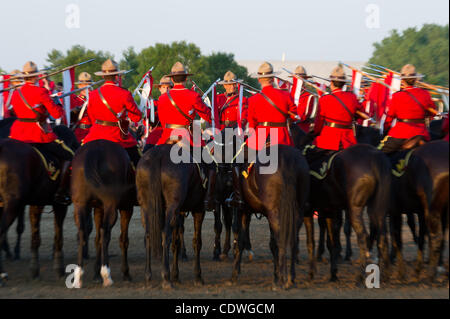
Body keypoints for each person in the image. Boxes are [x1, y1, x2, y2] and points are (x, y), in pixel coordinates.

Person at [228, 62, 298, 208]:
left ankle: (238, 197)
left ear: (260, 80)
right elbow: (295, 116)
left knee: (237, 162)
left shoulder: (253, 100)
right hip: (283, 138)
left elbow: (252, 126)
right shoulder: (286, 95)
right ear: (273, 79)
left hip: (261, 138)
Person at [9, 61, 74, 204]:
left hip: (17, 134)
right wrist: (56, 101)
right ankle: (61, 192)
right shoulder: (42, 92)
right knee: (69, 155)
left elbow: (13, 111)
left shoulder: (16, 92)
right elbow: (57, 115)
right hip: (37, 134)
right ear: (36, 77)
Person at [156, 62, 214, 209]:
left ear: (172, 79)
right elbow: (207, 116)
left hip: (167, 137)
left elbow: (163, 122)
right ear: (186, 79)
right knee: (211, 166)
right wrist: (205, 105)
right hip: (188, 137)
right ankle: (208, 198)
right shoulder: (193, 95)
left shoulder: (162, 98)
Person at [82, 59, 143, 167]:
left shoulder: (93, 94)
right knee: (139, 163)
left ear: (102, 76)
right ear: (116, 76)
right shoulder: (124, 93)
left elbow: (91, 118)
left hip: (95, 135)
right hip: (117, 136)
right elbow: (137, 117)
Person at [378, 64, 437, 153]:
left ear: (402, 80)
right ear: (415, 79)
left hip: (401, 133)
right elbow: (432, 113)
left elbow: (389, 117)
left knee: (380, 155)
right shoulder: (425, 94)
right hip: (421, 133)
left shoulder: (397, 96)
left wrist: (386, 129)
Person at [312, 65, 363, 152]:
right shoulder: (352, 97)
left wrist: (315, 133)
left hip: (329, 139)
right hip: (348, 140)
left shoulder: (325, 99)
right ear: (343, 84)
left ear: (331, 83)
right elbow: (361, 114)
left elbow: (319, 122)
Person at [143, 76, 173, 152]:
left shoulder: (175, 103)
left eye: (168, 87)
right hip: (157, 131)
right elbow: (146, 121)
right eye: (163, 87)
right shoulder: (154, 103)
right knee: (145, 152)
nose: (166, 89)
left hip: (173, 131)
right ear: (160, 88)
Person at [289, 65, 317, 133]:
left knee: (266, 143)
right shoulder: (287, 93)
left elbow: (304, 117)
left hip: (300, 131)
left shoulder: (309, 96)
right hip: (281, 131)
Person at [71, 72, 93, 142]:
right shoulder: (76, 100)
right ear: (79, 86)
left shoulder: (96, 99)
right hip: (80, 133)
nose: (87, 87)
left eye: (89, 85)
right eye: (84, 85)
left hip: (93, 132)